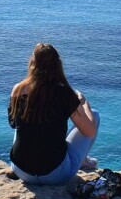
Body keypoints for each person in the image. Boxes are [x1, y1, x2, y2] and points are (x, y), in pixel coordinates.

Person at [8, 43, 100, 185]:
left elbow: (13, 123)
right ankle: (83, 161)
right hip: (55, 175)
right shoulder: (65, 94)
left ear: (32, 63)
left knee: (22, 123)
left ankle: (22, 161)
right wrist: (83, 103)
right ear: (58, 65)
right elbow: (90, 132)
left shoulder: (18, 90)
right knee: (94, 115)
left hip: (21, 171)